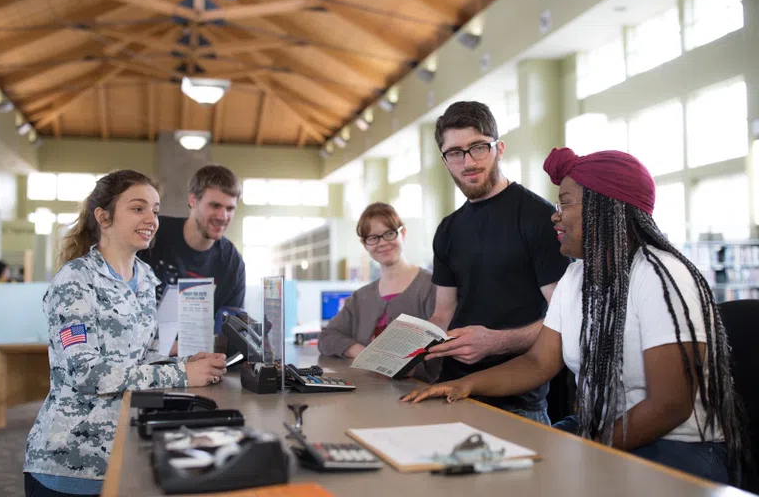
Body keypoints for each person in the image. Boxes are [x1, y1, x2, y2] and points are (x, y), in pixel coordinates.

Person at [401, 147, 745, 484]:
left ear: (605, 208)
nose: (555, 214)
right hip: (601, 434)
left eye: (565, 202)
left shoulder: (660, 275)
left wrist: (584, 447)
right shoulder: (577, 276)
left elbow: (670, 405)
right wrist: (464, 385)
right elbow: (538, 362)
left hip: (677, 450)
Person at [23, 170, 227, 497]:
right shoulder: (76, 281)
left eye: (155, 210)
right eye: (138, 208)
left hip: (123, 454)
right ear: (103, 217)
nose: (151, 219)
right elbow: (86, 374)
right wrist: (181, 373)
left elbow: (138, 353)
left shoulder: (145, 277)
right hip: (70, 464)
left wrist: (188, 361)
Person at [423, 101, 570, 423]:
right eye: (455, 153)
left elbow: (567, 318)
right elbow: (443, 312)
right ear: (445, 161)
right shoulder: (448, 228)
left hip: (518, 400)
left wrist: (497, 341)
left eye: (478, 148)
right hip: (453, 390)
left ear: (499, 149)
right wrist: (402, 347)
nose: (468, 161)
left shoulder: (538, 217)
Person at [318, 203, 438, 382]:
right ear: (364, 244)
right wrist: (363, 353)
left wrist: (406, 368)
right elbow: (327, 337)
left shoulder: (432, 286)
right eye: (373, 238)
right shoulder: (360, 297)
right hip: (369, 394)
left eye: (389, 233)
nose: (382, 243)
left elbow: (443, 353)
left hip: (417, 395)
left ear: (402, 233)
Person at [139, 164, 245, 354]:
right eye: (215, 205)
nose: (223, 216)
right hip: (140, 356)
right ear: (193, 200)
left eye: (230, 208)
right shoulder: (153, 234)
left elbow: (229, 333)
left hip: (198, 363)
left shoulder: (232, 263)